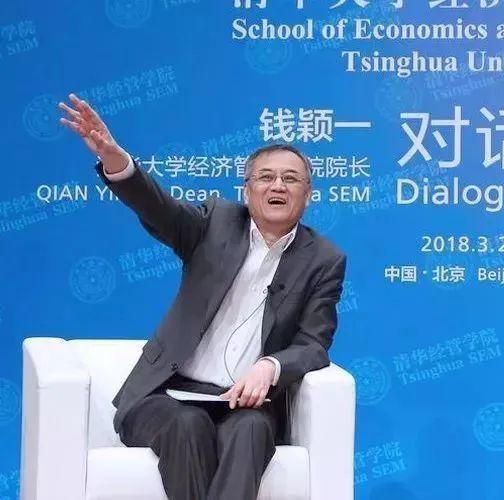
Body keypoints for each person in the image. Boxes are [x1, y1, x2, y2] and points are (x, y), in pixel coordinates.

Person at [59, 93, 347, 500]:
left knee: (252, 429)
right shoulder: (216, 223)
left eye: (290, 179)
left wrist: (270, 366)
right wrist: (116, 161)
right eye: (265, 177)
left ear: (308, 193)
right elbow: (160, 209)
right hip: (165, 395)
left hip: (245, 404)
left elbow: (313, 344)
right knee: (188, 425)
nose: (277, 185)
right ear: (247, 190)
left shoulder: (324, 260)